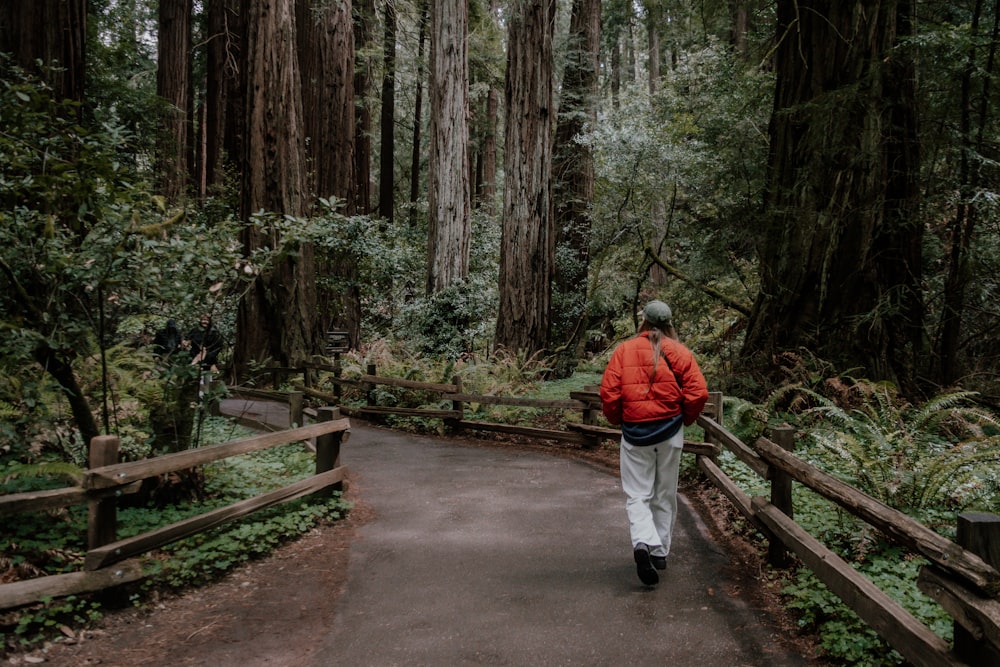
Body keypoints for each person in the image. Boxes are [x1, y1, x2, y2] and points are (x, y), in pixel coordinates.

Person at [600, 300, 709, 586]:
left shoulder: (624, 351)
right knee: (664, 493)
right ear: (670, 323)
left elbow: (609, 393)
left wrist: (619, 420)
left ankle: (642, 543)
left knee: (638, 494)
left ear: (644, 322)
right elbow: (698, 392)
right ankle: (659, 552)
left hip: (635, 433)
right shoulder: (680, 352)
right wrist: (682, 419)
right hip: (670, 432)